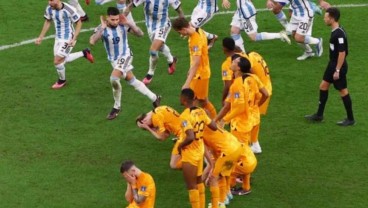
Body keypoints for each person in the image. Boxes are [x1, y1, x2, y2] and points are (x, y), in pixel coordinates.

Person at [89, 7, 161, 120]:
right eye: (113, 20)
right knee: (132, 80)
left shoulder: (122, 25)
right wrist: (102, 28)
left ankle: (117, 107)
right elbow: (92, 41)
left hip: (126, 56)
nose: (116, 22)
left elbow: (140, 34)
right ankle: (154, 98)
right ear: (107, 18)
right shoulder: (101, 29)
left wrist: (129, 23)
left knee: (113, 78)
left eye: (117, 19)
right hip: (114, 61)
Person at [305, 7, 355, 126]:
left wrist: (337, 70)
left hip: (338, 66)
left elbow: (342, 53)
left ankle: (351, 119)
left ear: (332, 19)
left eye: (326, 17)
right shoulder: (336, 31)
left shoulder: (339, 35)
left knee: (343, 91)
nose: (324, 19)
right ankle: (319, 115)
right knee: (323, 86)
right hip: (332, 64)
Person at [36, 0, 94, 89]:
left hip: (69, 38)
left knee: (57, 61)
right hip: (58, 38)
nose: (49, 2)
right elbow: (48, 21)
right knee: (61, 60)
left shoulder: (69, 9)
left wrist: (74, 38)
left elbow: (79, 23)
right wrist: (40, 37)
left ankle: (62, 81)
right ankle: (84, 53)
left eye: (52, 0)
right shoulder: (49, 9)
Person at [124, 0, 184, 85]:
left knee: (153, 50)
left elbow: (179, 10)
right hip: (150, 26)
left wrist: (184, 26)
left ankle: (150, 74)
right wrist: (121, 18)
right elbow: (130, 6)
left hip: (164, 25)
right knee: (160, 46)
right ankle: (171, 59)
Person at [172, 17, 217, 119]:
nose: (181, 35)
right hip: (201, 71)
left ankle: (213, 123)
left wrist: (187, 83)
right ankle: (215, 121)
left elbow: (196, 63)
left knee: (196, 102)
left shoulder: (194, 41)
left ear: (184, 29)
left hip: (200, 74)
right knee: (201, 101)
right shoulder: (199, 30)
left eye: (180, 32)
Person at [179, 88, 217, 208]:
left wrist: (180, 146)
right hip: (200, 149)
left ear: (184, 100)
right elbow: (214, 127)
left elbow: (190, 137)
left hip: (190, 153)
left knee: (192, 186)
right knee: (199, 181)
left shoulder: (185, 116)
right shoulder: (201, 111)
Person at [222, 0, 291, 53]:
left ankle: (280, 35)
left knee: (254, 37)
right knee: (234, 31)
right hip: (241, 10)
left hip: (246, 13)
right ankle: (242, 54)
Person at [215, 56, 252, 144]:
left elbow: (241, 107)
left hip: (240, 126)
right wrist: (215, 120)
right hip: (241, 124)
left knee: (242, 154)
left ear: (238, 68)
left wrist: (225, 120)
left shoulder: (237, 85)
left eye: (235, 61)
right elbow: (227, 106)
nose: (232, 62)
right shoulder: (239, 82)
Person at [136, 105, 186, 169]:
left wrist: (148, 128)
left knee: (173, 164)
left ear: (144, 121)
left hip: (184, 134)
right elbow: (166, 135)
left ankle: (193, 163)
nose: (151, 126)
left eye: (144, 129)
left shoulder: (155, 118)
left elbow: (161, 137)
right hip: (186, 127)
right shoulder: (158, 109)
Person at [247, 51, 272, 153]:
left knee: (251, 116)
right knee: (254, 116)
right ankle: (254, 143)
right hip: (267, 86)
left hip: (262, 91)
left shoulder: (249, 60)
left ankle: (253, 144)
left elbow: (251, 74)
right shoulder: (254, 54)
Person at [220, 37, 249, 105]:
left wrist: (223, 99)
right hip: (247, 89)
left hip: (236, 93)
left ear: (224, 48)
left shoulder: (226, 64)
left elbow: (227, 85)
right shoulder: (243, 56)